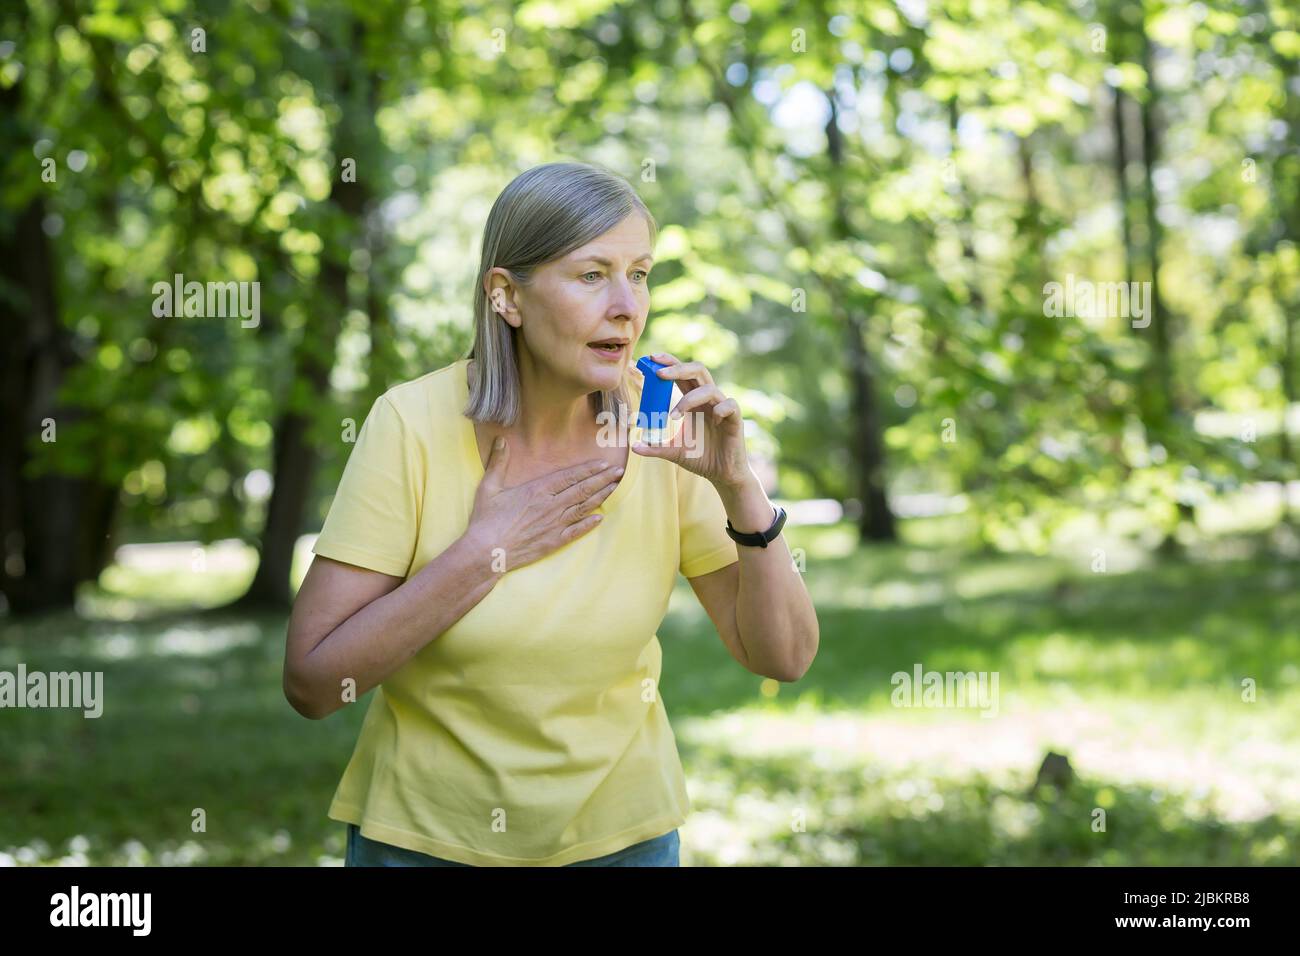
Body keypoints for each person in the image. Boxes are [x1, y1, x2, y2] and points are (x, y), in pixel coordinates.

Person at [283, 161, 818, 867]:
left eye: (641, 273)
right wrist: (482, 552)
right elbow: (315, 683)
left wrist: (739, 489)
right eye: (592, 275)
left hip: (623, 842)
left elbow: (782, 657)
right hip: (425, 842)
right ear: (506, 295)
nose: (627, 305)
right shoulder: (410, 424)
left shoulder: (662, 434)